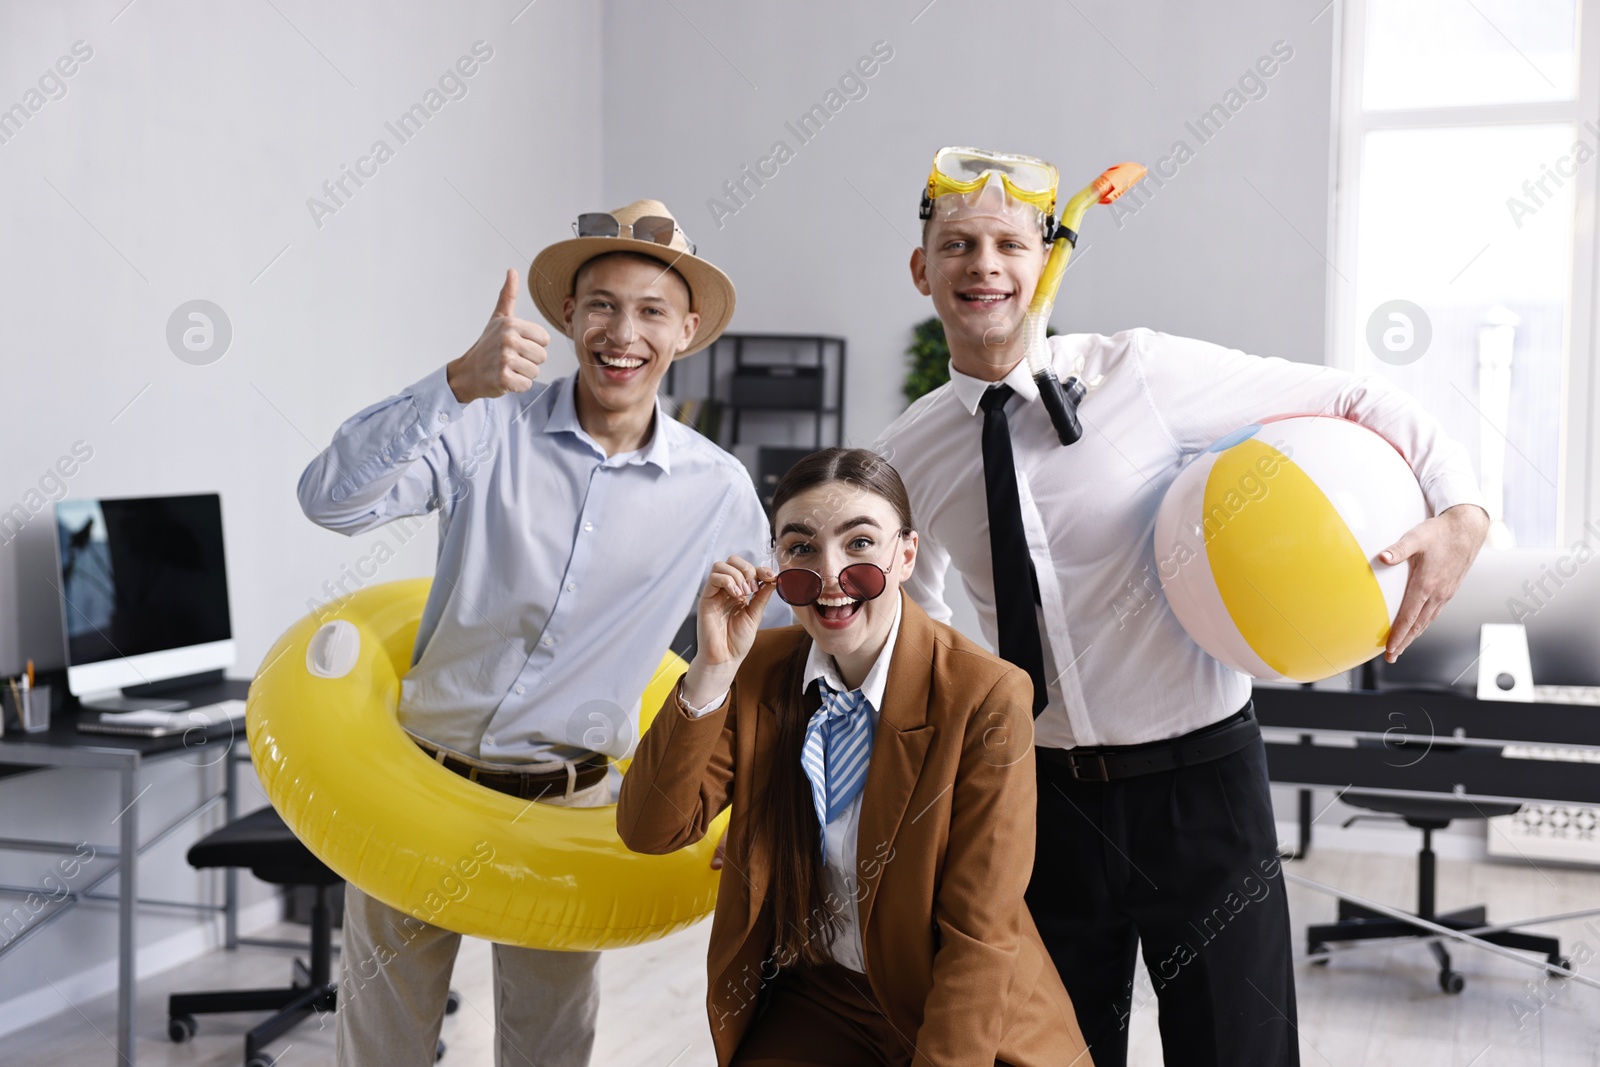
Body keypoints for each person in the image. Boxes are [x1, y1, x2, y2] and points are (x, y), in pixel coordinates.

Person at [874, 147, 1489, 1067]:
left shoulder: (1143, 374)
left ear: (1046, 261)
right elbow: (907, 646)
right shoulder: (907, 452)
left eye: (1009, 242)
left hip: (1200, 791)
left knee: (1238, 1051)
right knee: (1053, 1055)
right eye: (957, 244)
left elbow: (1359, 396)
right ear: (923, 269)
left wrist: (1463, 514)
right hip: (1039, 809)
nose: (984, 265)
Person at [298, 199, 784, 1067]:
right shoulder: (487, 422)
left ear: (687, 328)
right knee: (379, 1049)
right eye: (601, 304)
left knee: (549, 1053)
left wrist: (755, 805)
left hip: (568, 809)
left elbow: (773, 656)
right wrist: (452, 381)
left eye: (649, 311)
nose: (621, 332)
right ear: (568, 315)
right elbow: (329, 499)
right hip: (414, 785)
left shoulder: (717, 491)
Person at [617, 447, 1092, 1067]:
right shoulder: (757, 667)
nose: (831, 576)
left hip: (966, 1012)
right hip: (826, 1000)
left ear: (906, 555)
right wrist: (710, 671)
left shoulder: (987, 694)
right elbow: (651, 829)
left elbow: (980, 934)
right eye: (801, 549)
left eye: (860, 543)